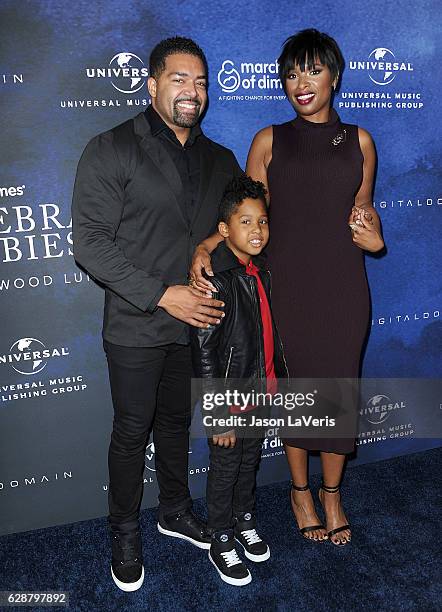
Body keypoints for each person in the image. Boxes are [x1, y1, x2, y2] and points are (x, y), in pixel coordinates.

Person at [190, 29, 384, 546]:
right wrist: (209, 245)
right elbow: (246, 212)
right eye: (292, 73)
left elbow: (365, 215)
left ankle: (333, 494)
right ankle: (300, 492)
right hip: (284, 291)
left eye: (313, 70)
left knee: (338, 393)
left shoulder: (361, 142)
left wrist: (374, 234)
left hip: (344, 291)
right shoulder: (268, 141)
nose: (301, 83)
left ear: (335, 77)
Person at [72, 37, 242, 592]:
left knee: (175, 424)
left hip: (199, 328)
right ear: (152, 84)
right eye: (178, 79)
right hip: (137, 323)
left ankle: (173, 509)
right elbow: (90, 244)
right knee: (130, 432)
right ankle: (123, 529)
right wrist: (163, 294)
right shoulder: (112, 146)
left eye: (200, 81)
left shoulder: (221, 159)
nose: (191, 91)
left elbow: (232, 226)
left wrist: (209, 247)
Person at [190, 175, 288, 585]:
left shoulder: (261, 272)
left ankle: (244, 519)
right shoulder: (216, 283)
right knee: (226, 469)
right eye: (245, 222)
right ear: (224, 230)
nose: (257, 231)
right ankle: (220, 536)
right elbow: (205, 354)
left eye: (262, 221)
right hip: (230, 401)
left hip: (261, 392)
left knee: (249, 463)